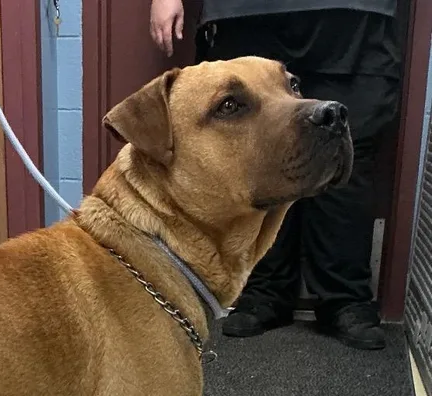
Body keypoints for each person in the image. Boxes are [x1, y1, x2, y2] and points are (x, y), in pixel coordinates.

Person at [150, 0, 401, 350]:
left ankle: (345, 296)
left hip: (352, 14)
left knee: (345, 149)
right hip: (247, 11)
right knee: (252, 153)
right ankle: (264, 290)